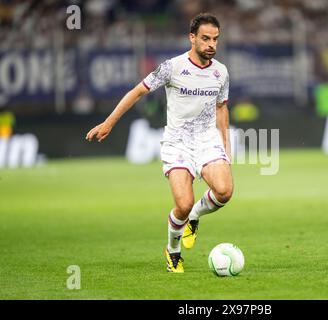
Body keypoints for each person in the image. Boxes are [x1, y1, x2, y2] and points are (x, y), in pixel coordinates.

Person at [86, 13, 233, 272]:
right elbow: (137, 91)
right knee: (183, 204)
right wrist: (109, 122)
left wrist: (225, 147)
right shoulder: (172, 67)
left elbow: (222, 108)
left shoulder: (221, 72)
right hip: (177, 143)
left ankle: (195, 218)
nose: (211, 44)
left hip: (206, 139)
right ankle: (173, 252)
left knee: (224, 191)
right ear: (192, 38)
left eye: (216, 39)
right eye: (206, 38)